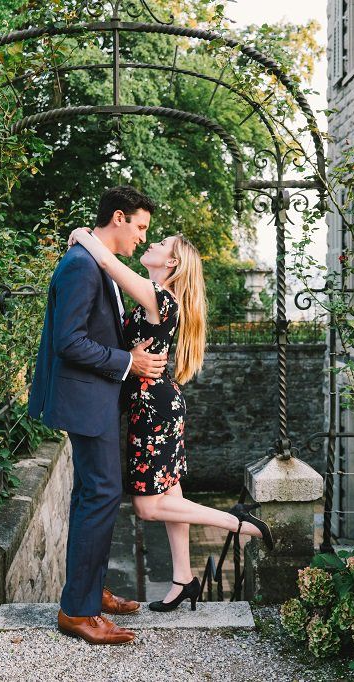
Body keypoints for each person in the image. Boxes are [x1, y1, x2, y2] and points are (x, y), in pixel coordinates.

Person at [67, 219, 273, 614]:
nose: (152, 241)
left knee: (147, 507)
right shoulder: (160, 298)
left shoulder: (160, 298)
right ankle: (183, 579)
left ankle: (239, 523)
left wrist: (86, 238)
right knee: (171, 494)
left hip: (154, 409)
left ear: (172, 263)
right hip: (159, 404)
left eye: (161, 242)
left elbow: (111, 265)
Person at [28, 186, 166, 645]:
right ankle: (78, 612)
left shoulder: (95, 262)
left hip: (98, 396)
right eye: (141, 227)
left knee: (94, 494)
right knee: (102, 493)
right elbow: (68, 342)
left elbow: (93, 331)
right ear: (120, 218)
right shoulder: (82, 267)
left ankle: (90, 591)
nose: (143, 239)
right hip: (87, 400)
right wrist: (130, 363)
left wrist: (126, 355)